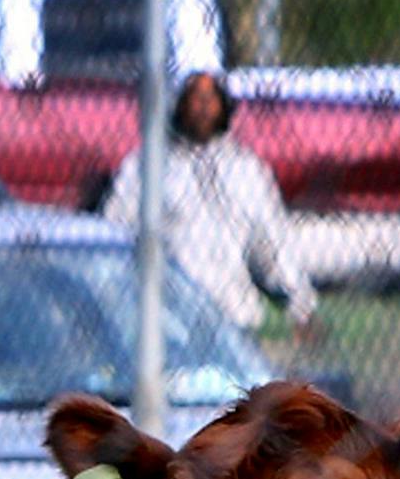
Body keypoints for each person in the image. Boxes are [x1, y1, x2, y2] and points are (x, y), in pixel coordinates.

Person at [101, 69, 317, 339]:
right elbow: (114, 234)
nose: (203, 106)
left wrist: (300, 305)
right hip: (168, 323)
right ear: (177, 103)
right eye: (195, 96)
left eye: (211, 97)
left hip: (234, 318)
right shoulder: (146, 166)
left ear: (225, 106)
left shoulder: (246, 169)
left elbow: (271, 242)